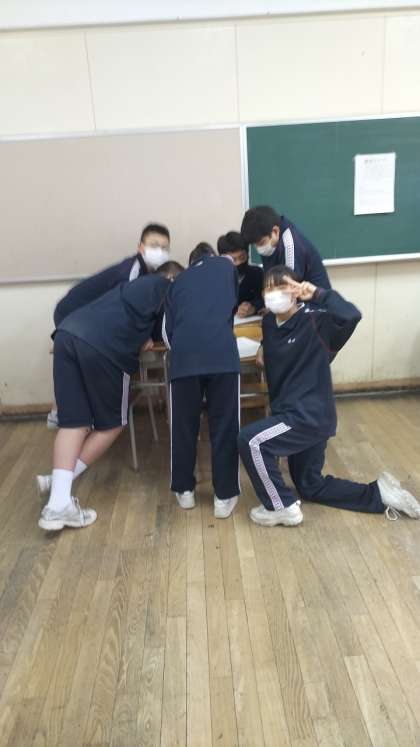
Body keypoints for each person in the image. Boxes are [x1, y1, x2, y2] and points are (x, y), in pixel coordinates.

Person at [238, 265, 420, 526]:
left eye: (281, 286)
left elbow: (351, 315)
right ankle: (380, 494)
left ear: (296, 291)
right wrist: (263, 348)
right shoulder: (269, 322)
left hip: (307, 416)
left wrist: (319, 294)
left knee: (250, 441)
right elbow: (273, 341)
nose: (273, 293)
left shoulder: (316, 322)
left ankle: (281, 508)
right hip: (288, 412)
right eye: (268, 288)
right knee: (309, 485)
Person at [37, 262, 182, 532]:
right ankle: (59, 490)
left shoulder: (128, 287)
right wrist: (147, 337)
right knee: (112, 424)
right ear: (174, 278)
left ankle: (57, 500)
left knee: (74, 423)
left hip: (66, 335)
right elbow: (167, 330)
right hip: (104, 347)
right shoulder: (166, 287)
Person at [47, 223, 171, 428]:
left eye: (164, 248)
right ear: (141, 247)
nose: (160, 251)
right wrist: (143, 336)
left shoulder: (148, 275)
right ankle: (62, 411)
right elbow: (126, 311)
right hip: (72, 312)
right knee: (87, 358)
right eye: (154, 245)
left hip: (83, 320)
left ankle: (70, 414)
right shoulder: (132, 271)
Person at [163, 242, 240, 518]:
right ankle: (224, 497)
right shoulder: (227, 267)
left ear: (191, 262)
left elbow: (167, 332)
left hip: (184, 360)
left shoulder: (176, 282)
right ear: (213, 255)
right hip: (222, 357)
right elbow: (230, 307)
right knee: (225, 425)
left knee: (183, 426)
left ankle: (184, 492)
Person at [240, 205, 331, 289]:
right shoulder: (266, 233)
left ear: (275, 231)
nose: (259, 248)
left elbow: (287, 288)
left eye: (261, 243)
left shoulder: (290, 246)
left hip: (314, 299)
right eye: (255, 244)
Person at [217, 231, 264, 317]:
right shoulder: (216, 278)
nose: (238, 263)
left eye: (242, 257)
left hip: (249, 321)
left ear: (248, 254)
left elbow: (264, 298)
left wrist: (253, 307)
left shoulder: (257, 273)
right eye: (232, 260)